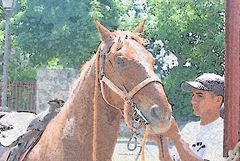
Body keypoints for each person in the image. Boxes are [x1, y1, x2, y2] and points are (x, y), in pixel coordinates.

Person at [152, 73, 224, 161]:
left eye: (200, 95)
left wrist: (176, 138)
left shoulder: (223, 131)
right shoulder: (190, 128)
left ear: (218, 100)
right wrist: (161, 139)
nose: (193, 101)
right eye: (193, 95)